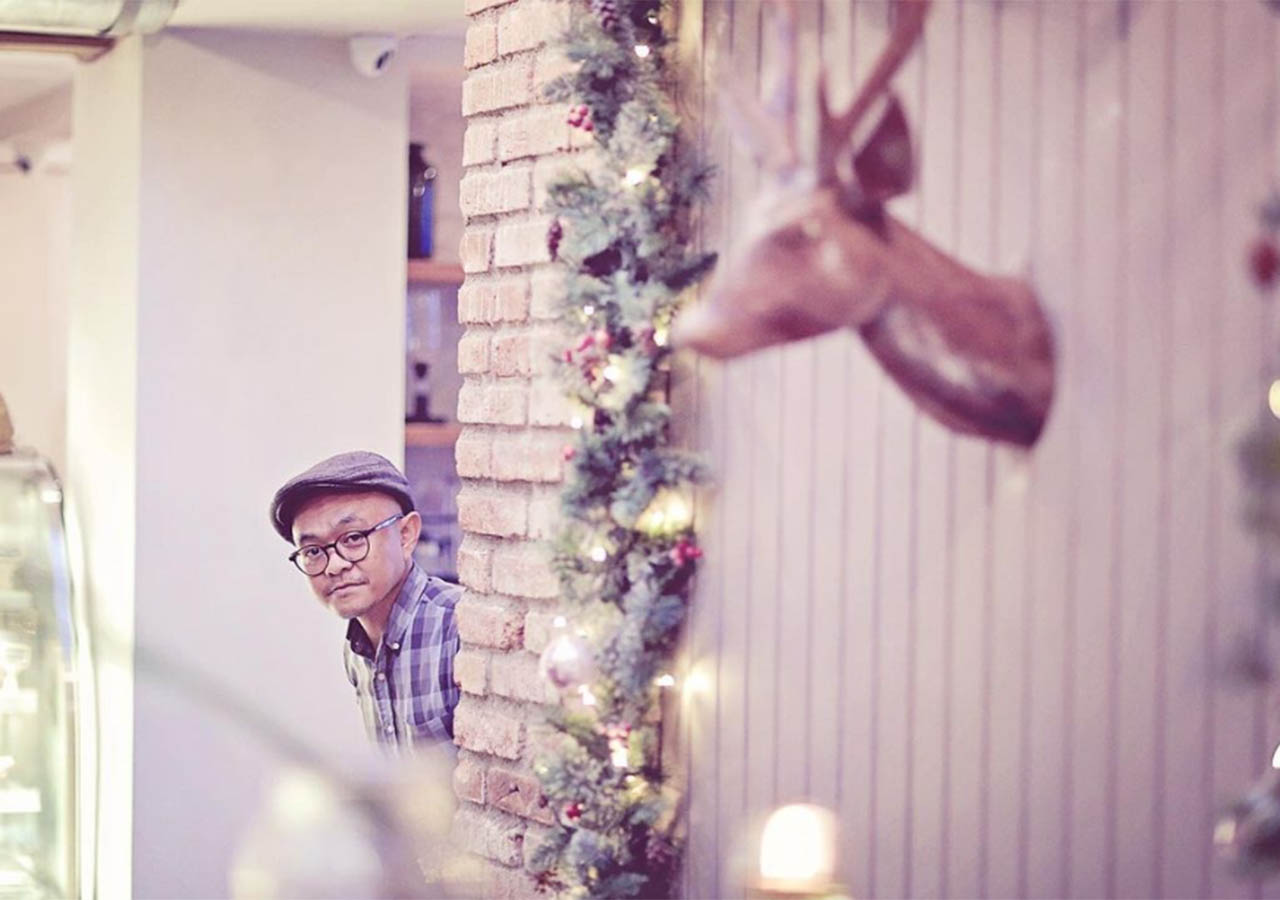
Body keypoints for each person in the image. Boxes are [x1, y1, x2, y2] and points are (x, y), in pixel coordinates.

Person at [269, 450, 460, 749]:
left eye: (353, 538)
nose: (334, 566)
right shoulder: (358, 647)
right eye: (313, 551)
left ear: (406, 535)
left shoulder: (459, 626)